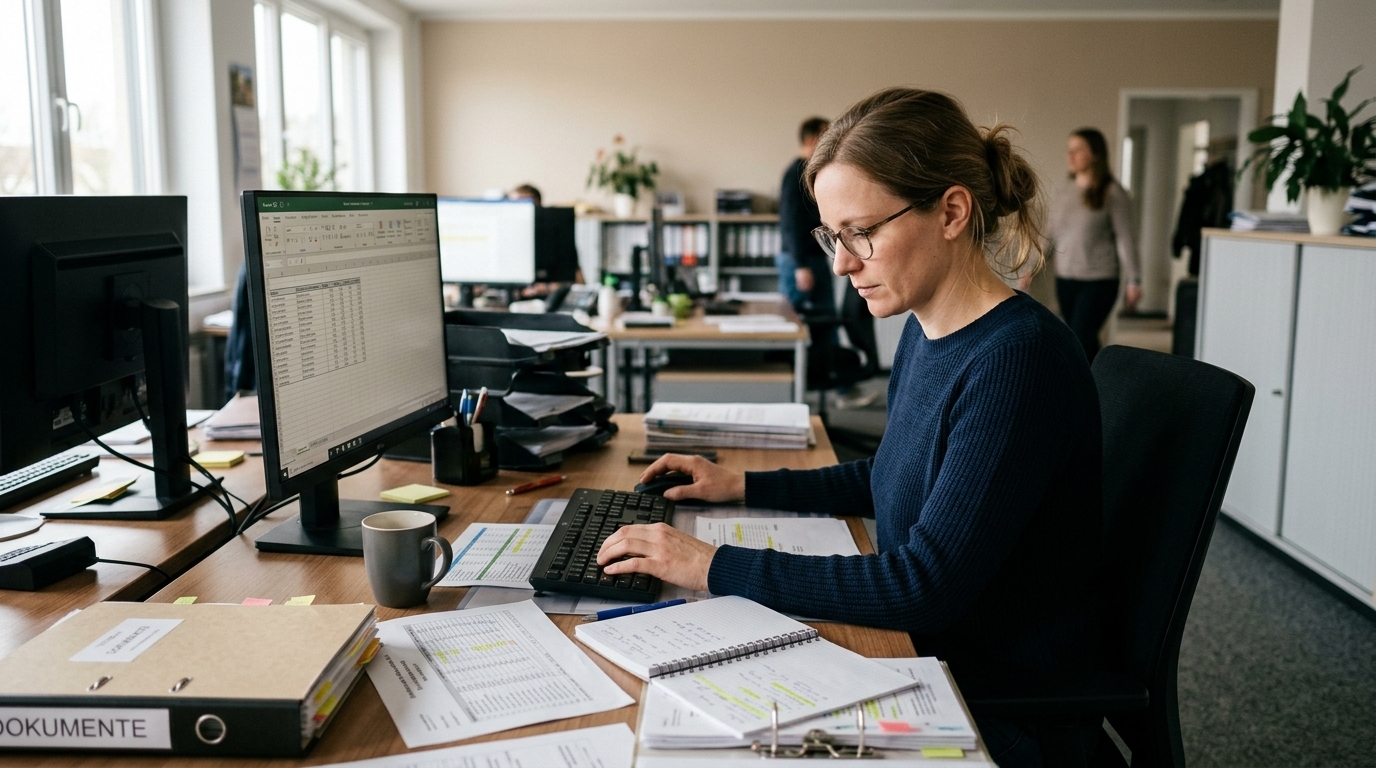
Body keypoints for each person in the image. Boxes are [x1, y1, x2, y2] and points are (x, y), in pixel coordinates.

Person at [598, 88, 1104, 766]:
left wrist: (708, 565)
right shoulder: (930, 328)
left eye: (861, 233)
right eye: (832, 237)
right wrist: (740, 483)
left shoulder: (1019, 360)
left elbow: (925, 587)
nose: (840, 263)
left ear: (951, 211)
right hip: (918, 650)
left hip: (978, 692)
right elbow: (892, 471)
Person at [778, 117, 876, 408]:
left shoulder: (808, 172)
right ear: (810, 140)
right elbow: (791, 223)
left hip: (806, 258)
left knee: (820, 326)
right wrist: (800, 266)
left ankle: (839, 390)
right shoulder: (795, 173)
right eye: (825, 135)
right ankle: (828, 391)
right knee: (806, 327)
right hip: (802, 260)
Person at [1026, 128, 1140, 362]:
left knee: (1079, 337)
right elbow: (1050, 235)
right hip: (1066, 279)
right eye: (1069, 150)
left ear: (1095, 154)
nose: (1071, 156)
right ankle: (1100, 385)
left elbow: (1127, 239)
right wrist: (1031, 267)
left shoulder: (1113, 194)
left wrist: (1134, 280)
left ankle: (1084, 391)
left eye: (1078, 150)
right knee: (1082, 339)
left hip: (1099, 281)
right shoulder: (1065, 192)